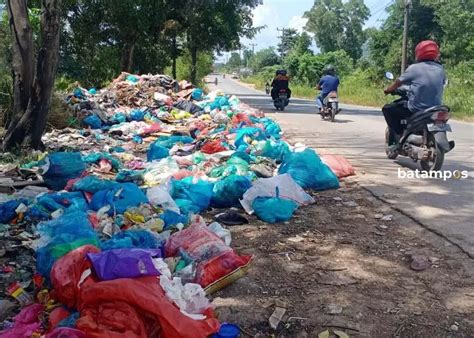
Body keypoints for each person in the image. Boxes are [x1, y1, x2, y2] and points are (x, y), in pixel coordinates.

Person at [383, 40, 445, 150]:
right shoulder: (440, 69)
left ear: (419, 52)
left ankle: (398, 136)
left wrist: (388, 90)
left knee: (388, 109)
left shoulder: (414, 68)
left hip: (416, 108)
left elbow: (397, 83)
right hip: (436, 108)